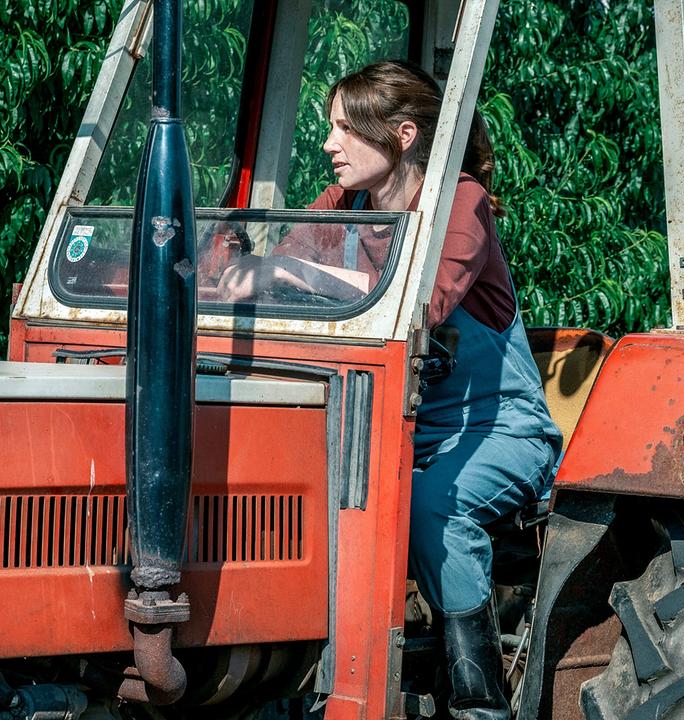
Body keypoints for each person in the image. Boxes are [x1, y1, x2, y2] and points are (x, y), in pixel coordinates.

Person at [221, 61, 561, 720]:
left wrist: (298, 274)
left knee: (433, 506)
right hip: (384, 429)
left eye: (346, 128)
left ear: (403, 135)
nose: (330, 144)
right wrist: (242, 276)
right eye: (331, 128)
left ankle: (479, 703)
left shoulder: (459, 203)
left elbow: (421, 304)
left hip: (493, 429)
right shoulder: (342, 207)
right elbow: (278, 269)